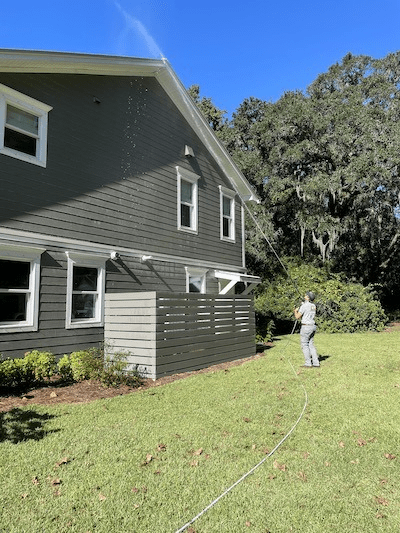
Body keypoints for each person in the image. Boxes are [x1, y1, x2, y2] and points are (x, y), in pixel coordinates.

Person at [294, 291, 320, 368]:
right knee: (311, 345)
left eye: (306, 295)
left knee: (304, 344)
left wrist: (295, 311)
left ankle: (308, 363)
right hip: (313, 326)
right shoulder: (313, 306)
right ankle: (316, 363)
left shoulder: (304, 306)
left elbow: (297, 317)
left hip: (306, 327)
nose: (304, 296)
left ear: (308, 297)